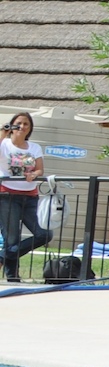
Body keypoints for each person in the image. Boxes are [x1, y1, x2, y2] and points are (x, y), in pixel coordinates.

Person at [1, 112, 49, 283]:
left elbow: (40, 169)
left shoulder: (34, 147)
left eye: (26, 124)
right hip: (7, 195)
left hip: (30, 197)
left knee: (44, 234)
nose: (22, 127)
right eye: (18, 123)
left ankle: (2, 257)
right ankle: (12, 276)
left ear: (30, 128)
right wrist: (3, 131)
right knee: (12, 238)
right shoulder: (4, 143)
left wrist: (34, 174)